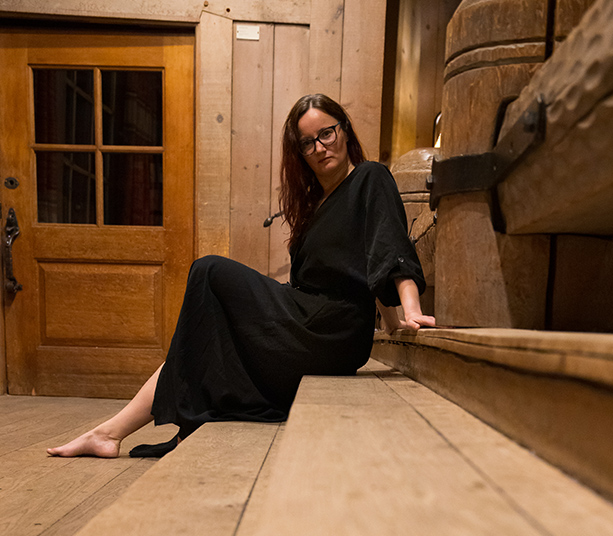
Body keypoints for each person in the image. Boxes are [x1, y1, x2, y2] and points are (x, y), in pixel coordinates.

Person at [47, 94, 435, 459]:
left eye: (326, 133)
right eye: (307, 143)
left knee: (209, 270)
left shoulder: (370, 177)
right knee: (205, 330)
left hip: (331, 330)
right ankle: (110, 432)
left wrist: (408, 310)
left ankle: (112, 433)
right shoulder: (317, 205)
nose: (320, 147)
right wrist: (388, 321)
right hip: (309, 321)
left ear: (345, 130)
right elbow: (367, 264)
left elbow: (387, 245)